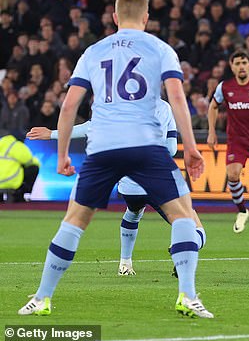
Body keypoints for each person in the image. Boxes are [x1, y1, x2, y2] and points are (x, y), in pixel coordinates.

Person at [18, 0, 213, 318]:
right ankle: (188, 296)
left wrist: (63, 153)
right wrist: (192, 148)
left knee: (75, 221)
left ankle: (42, 298)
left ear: (114, 17)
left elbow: (69, 106)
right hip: (146, 146)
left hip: (103, 147)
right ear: (147, 17)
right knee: (183, 216)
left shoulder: (94, 51)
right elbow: (178, 100)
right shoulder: (161, 49)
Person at [26, 100, 207, 277]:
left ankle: (124, 263)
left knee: (133, 212)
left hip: (129, 186)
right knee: (194, 226)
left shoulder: (115, 107)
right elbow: (172, 149)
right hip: (156, 181)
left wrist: (52, 134)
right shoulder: (163, 107)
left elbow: (89, 128)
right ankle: (183, 248)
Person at [208, 51, 249, 237]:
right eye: (237, 63)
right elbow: (213, 107)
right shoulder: (225, 87)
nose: (241, 66)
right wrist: (212, 131)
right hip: (236, 141)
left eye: (244, 62)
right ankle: (242, 210)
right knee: (233, 174)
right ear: (232, 67)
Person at [0, 133, 40, 203]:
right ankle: (19, 193)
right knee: (33, 168)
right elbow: (30, 161)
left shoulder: (1, 143)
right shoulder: (17, 145)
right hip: (10, 182)